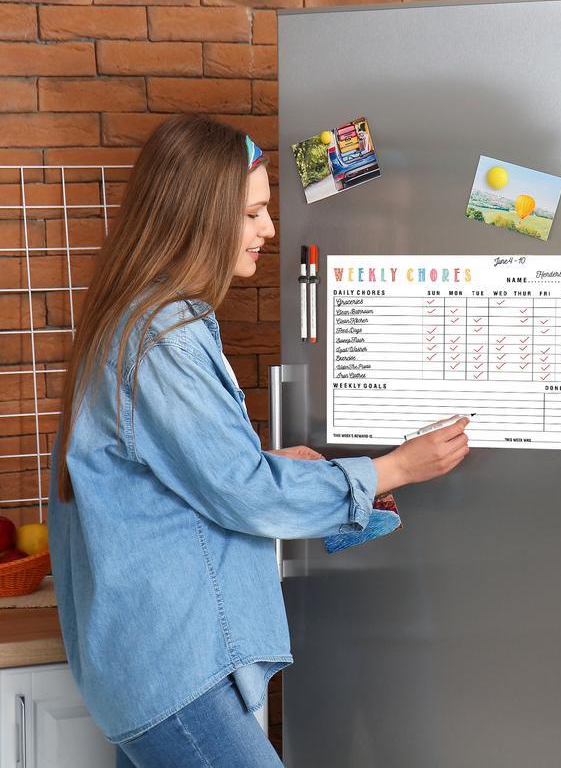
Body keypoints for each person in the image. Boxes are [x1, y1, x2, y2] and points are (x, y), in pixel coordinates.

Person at [48, 115, 470, 767]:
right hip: (175, 669)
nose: (270, 231)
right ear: (198, 219)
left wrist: (260, 463)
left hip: (149, 667)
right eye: (252, 215)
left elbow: (182, 473)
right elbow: (242, 493)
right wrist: (393, 469)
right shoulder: (163, 334)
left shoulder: (144, 318)